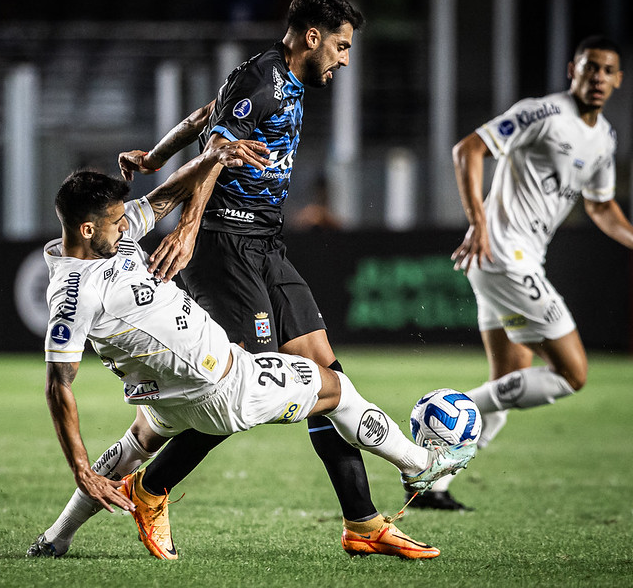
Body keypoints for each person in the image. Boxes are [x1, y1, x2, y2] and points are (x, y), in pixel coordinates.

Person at [28, 158, 476, 561]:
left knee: (132, 448)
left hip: (167, 395)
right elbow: (57, 385)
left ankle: (56, 538)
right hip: (221, 390)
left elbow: (166, 196)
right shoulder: (73, 296)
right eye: (116, 223)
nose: (126, 228)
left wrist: (214, 155)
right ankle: (418, 465)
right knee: (336, 389)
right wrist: (80, 469)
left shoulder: (110, 240)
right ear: (87, 230)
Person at [115, 0, 391, 557]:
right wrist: (188, 230)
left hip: (266, 244)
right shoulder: (259, 80)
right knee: (239, 389)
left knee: (324, 376)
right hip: (226, 247)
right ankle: (150, 486)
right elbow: (216, 152)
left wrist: (155, 156)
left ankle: (363, 525)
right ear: (311, 37)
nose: (343, 59)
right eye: (340, 46)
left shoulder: (280, 80)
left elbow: (203, 117)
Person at [435, 35, 631, 511]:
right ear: (573, 71)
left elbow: (601, 207)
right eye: (591, 69)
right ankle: (445, 410)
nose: (599, 78)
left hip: (510, 261)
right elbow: (468, 150)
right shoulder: (542, 113)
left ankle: (431, 479)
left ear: (619, 79)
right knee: (572, 372)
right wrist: (478, 224)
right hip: (504, 255)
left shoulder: (603, 138)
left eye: (608, 71)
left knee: (510, 376)